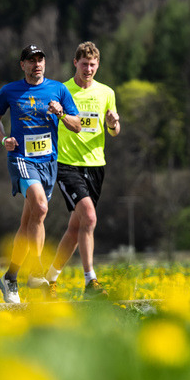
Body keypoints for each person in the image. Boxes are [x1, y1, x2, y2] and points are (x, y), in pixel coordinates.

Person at [0, 44, 81, 303]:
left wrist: (61, 113)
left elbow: (77, 126)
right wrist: (3, 138)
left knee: (29, 222)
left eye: (40, 59)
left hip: (49, 162)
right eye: (31, 60)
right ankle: (36, 270)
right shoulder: (9, 91)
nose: (37, 64)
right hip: (21, 158)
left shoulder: (58, 89)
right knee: (40, 207)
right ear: (23, 65)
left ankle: (10, 277)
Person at [29, 42, 120, 298]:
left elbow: (113, 131)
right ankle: (91, 281)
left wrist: (114, 124)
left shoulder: (106, 93)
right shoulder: (61, 90)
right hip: (67, 164)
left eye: (93, 65)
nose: (88, 69)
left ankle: (50, 279)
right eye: (84, 64)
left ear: (98, 65)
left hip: (96, 164)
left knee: (75, 228)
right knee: (89, 217)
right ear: (75, 63)